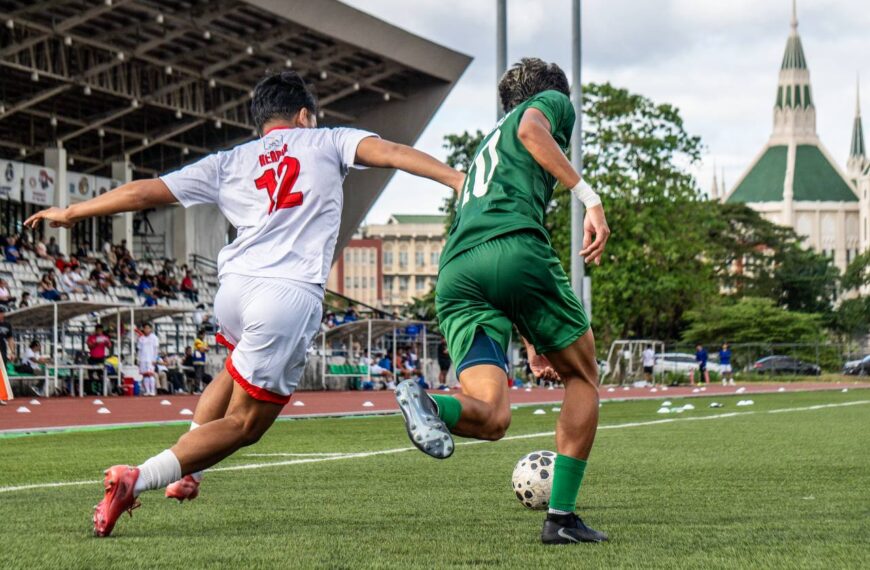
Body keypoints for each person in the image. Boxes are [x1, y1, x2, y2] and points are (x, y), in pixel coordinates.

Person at [26, 69, 463, 537]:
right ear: (303, 115)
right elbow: (392, 153)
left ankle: (188, 470)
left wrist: (72, 211)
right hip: (287, 293)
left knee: (232, 369)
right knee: (246, 425)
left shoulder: (230, 160)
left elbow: (149, 189)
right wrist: (459, 181)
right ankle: (139, 477)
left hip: (234, 288)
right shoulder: (329, 139)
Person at [393, 58, 611, 544]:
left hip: (456, 276)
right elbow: (536, 128)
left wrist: (534, 339)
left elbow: (496, 272)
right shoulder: (547, 106)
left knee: (493, 417)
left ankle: (428, 401)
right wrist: (589, 198)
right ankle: (561, 520)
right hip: (513, 248)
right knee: (583, 375)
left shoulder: (484, 151)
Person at [137, 323, 160, 397]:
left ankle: (152, 391)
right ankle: (147, 391)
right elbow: (139, 350)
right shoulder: (141, 338)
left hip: (151, 359)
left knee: (151, 375)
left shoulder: (154, 338)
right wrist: (139, 359)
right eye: (145, 328)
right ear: (143, 329)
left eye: (148, 328)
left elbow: (156, 349)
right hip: (143, 359)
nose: (146, 330)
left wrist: (155, 358)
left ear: (151, 329)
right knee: (145, 375)